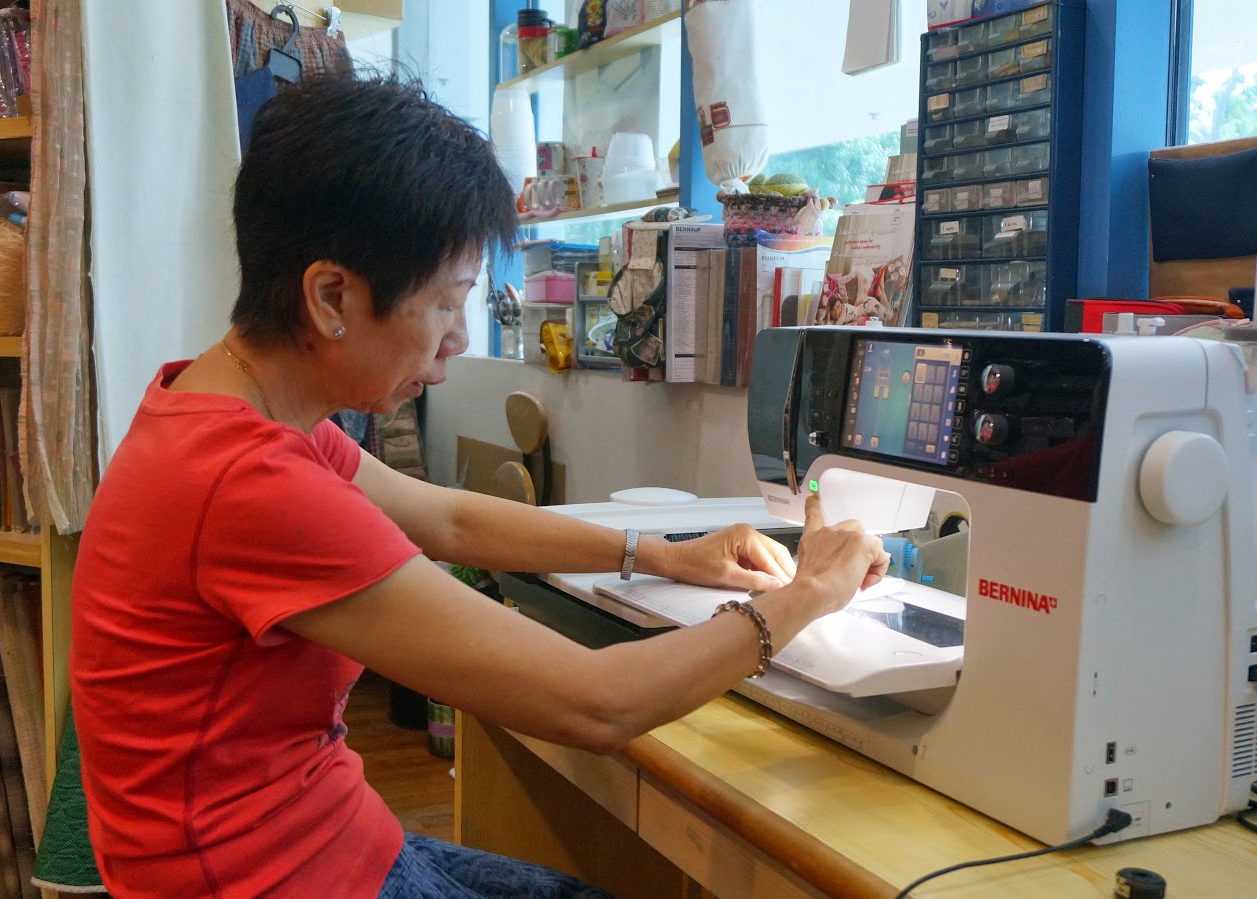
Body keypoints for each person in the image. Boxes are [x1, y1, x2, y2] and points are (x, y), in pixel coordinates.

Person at [69, 73, 888, 899]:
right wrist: (807, 594)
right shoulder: (247, 481)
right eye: (447, 302)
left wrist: (665, 555)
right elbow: (595, 704)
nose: (460, 339)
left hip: (317, 833)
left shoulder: (231, 409)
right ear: (331, 296)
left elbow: (450, 520)